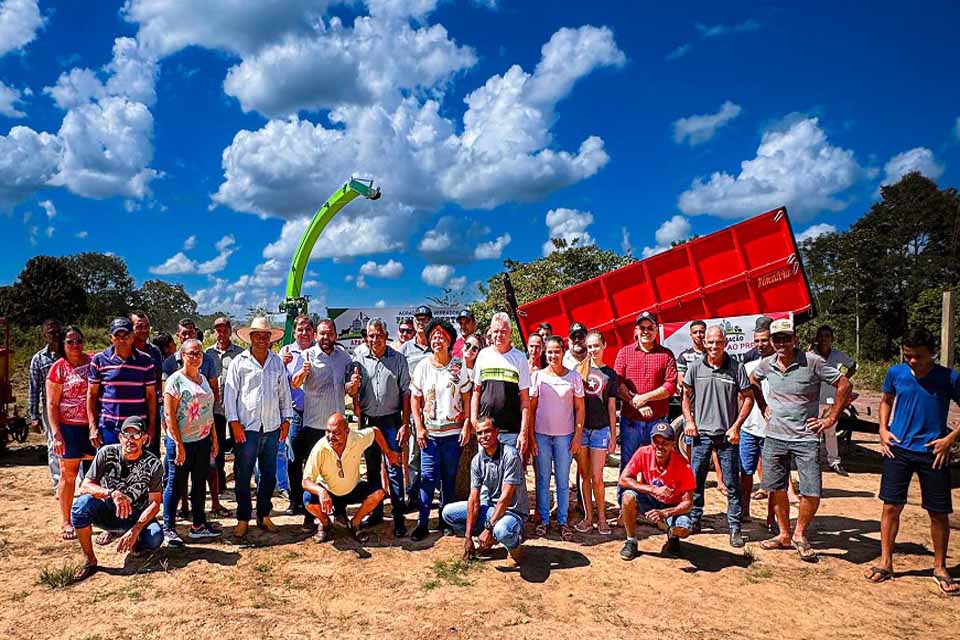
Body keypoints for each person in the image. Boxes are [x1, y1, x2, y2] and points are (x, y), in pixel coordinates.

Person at [865, 328, 960, 595]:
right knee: (891, 506)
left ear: (933, 353)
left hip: (933, 451)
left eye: (918, 356)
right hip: (899, 450)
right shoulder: (896, 373)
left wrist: (950, 439)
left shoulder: (949, 378)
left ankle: (940, 567)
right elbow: (886, 401)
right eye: (908, 356)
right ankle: (886, 563)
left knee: (938, 512)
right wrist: (882, 430)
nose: (912, 362)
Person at [752, 318, 851, 562]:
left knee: (812, 491)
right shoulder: (767, 364)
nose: (782, 343)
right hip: (775, 435)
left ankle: (800, 533)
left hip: (806, 437)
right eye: (777, 339)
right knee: (775, 488)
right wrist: (763, 405)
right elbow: (753, 380)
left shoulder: (813, 362)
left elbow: (845, 384)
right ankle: (784, 534)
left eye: (787, 338)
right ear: (772, 341)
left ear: (795, 339)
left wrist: (830, 419)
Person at [681, 326, 753, 547]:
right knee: (696, 481)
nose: (714, 346)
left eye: (718, 342)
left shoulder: (736, 368)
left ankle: (734, 527)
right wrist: (690, 421)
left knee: (732, 484)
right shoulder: (694, 368)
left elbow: (748, 398)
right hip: (701, 435)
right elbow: (685, 396)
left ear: (726, 344)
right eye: (710, 342)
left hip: (726, 437)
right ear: (705, 343)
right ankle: (694, 520)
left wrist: (736, 427)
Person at [69, 416, 164, 583]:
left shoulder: (153, 464)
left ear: (145, 438)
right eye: (126, 434)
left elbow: (155, 502)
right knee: (80, 506)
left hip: (135, 515)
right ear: (120, 437)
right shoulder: (106, 453)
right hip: (108, 509)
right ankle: (89, 559)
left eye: (136, 435)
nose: (130, 440)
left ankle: (133, 542)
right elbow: (85, 486)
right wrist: (111, 493)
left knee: (155, 537)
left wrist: (136, 529)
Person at [223, 317, 293, 538]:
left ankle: (264, 515)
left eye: (266, 336)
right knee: (243, 475)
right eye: (258, 336)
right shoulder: (239, 363)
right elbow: (230, 395)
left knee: (269, 475)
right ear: (250, 338)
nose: (262, 340)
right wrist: (234, 423)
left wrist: (286, 420)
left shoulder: (277, 363)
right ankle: (243, 518)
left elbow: (284, 394)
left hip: (272, 427)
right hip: (246, 428)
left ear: (271, 339)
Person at [289, 317, 357, 527]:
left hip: (337, 429)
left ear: (335, 335)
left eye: (329, 333)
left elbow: (348, 388)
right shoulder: (306, 355)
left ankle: (340, 512)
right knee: (314, 473)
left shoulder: (343, 357)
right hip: (314, 425)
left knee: (338, 471)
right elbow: (295, 382)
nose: (325, 337)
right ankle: (312, 516)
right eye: (322, 334)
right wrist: (303, 371)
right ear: (316, 336)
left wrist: (353, 386)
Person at [410, 318, 473, 541]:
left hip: (453, 434)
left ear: (449, 341)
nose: (437, 340)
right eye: (434, 336)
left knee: (449, 477)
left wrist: (467, 423)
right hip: (429, 435)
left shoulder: (458, 365)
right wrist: (418, 426)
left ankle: (446, 520)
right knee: (427, 477)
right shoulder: (423, 366)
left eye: (442, 337)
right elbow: (414, 399)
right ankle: (422, 522)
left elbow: (467, 395)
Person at [302, 413, 400, 543]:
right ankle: (325, 523)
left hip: (352, 489)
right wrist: (321, 492)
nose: (331, 437)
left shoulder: (356, 438)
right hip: (329, 491)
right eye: (328, 432)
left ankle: (355, 523)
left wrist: (388, 453)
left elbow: (375, 431)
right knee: (308, 500)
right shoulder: (320, 448)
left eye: (336, 433)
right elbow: (305, 481)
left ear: (347, 431)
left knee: (379, 493)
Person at [353, 317, 411, 536]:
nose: (375, 339)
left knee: (394, 469)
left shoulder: (398, 359)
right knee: (372, 468)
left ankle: (398, 518)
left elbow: (406, 393)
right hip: (368, 421)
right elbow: (354, 389)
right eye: (371, 335)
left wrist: (405, 424)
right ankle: (376, 512)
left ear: (386, 337)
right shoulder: (358, 357)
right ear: (366, 338)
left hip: (391, 421)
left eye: (379, 335)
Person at [442, 417, 528, 564]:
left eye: (487, 431)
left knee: (503, 531)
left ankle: (513, 546)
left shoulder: (511, 456)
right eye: (480, 433)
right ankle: (485, 539)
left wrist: (488, 528)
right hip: (490, 509)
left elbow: (506, 498)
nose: (483, 437)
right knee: (448, 513)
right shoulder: (477, 460)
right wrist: (468, 537)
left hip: (512, 511)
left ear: (497, 432)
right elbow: (473, 499)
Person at [162, 338, 221, 546]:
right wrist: (178, 445)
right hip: (181, 442)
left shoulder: (203, 379)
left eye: (199, 354)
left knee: (198, 483)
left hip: (202, 440)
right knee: (175, 484)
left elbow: (208, 411)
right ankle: (168, 528)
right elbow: (169, 415)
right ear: (182, 356)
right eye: (191, 354)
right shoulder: (175, 381)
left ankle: (198, 525)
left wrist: (213, 437)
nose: (196, 357)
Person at [613, 311, 678, 501]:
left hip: (657, 422)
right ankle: (625, 506)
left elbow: (670, 386)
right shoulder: (625, 353)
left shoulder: (666, 355)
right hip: (631, 421)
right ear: (636, 330)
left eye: (650, 328)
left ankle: (654, 509)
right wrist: (636, 402)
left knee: (657, 465)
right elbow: (618, 383)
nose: (646, 332)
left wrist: (645, 398)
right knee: (628, 464)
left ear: (656, 331)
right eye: (642, 328)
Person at [530, 335, 584, 540]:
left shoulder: (573, 378)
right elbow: (532, 409)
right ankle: (544, 520)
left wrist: (577, 436)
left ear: (563, 352)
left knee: (562, 481)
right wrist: (532, 438)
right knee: (543, 479)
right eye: (549, 351)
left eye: (557, 351)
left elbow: (580, 409)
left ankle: (562, 521)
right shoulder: (538, 377)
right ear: (545, 352)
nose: (553, 355)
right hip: (542, 435)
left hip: (565, 437)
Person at [618, 421, 695, 559]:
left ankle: (673, 536)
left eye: (665, 442)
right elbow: (623, 479)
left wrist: (664, 513)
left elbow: (688, 503)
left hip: (671, 506)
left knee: (685, 529)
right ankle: (631, 541)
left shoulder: (683, 466)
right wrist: (652, 489)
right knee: (627, 496)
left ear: (673, 444)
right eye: (656, 441)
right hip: (650, 499)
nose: (660, 446)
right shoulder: (643, 452)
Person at [46, 325, 94, 540]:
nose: (75, 345)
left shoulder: (93, 362)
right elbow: (52, 404)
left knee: (96, 473)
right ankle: (66, 521)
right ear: (62, 345)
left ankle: (94, 516)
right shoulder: (58, 368)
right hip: (69, 427)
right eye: (70, 341)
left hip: (92, 426)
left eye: (78, 341)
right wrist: (56, 432)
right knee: (69, 474)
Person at [88, 318, 157, 448]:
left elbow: (151, 396)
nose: (122, 340)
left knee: (135, 467)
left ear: (132, 336)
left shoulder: (145, 361)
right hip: (109, 427)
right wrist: (93, 427)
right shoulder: (99, 360)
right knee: (110, 466)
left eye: (126, 336)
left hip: (136, 428)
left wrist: (152, 427)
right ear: (111, 338)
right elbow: (91, 395)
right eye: (117, 336)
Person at [573, 330, 618, 535]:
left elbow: (611, 407)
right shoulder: (579, 370)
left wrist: (613, 435)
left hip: (600, 431)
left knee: (597, 476)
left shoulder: (610, 374)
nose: (592, 350)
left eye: (596, 346)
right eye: (589, 346)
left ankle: (602, 518)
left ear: (604, 345)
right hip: (582, 430)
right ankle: (588, 518)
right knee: (584, 476)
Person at [471, 312, 533, 457]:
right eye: (496, 331)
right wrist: (474, 421)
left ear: (510, 333)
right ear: (491, 333)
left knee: (510, 477)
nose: (499, 335)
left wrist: (523, 432)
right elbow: (476, 392)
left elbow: (525, 400)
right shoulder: (483, 355)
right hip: (486, 431)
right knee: (488, 476)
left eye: (503, 331)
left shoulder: (519, 358)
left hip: (511, 432)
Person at [205, 316, 245, 515]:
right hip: (216, 409)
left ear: (230, 330)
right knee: (217, 448)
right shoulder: (206, 354)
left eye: (224, 329)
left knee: (240, 447)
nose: (221, 334)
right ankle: (219, 485)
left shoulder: (240, 353)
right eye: (217, 330)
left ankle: (240, 484)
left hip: (237, 409)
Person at [279, 315, 317, 509]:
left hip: (317, 414)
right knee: (294, 457)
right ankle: (295, 500)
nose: (304, 333)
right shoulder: (285, 352)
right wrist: (282, 365)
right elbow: (277, 383)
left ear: (314, 332)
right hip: (295, 412)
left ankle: (312, 501)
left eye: (308, 329)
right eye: (300, 330)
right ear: (293, 332)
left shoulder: (320, 351)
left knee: (314, 458)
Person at [740, 324, 775, 531]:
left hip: (773, 432)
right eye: (757, 341)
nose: (761, 344)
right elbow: (741, 398)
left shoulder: (782, 365)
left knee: (772, 477)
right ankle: (744, 511)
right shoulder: (748, 367)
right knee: (745, 473)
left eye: (765, 340)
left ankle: (772, 518)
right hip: (749, 429)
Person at [809, 325, 857, 476]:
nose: (824, 339)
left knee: (830, 432)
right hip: (813, 399)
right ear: (817, 338)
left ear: (832, 339)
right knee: (811, 432)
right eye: (821, 336)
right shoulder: (810, 355)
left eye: (827, 336)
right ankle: (812, 462)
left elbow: (853, 366)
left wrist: (843, 381)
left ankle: (834, 462)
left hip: (831, 399)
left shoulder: (838, 355)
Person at [401, 305, 434, 513]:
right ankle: (413, 496)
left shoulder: (439, 345)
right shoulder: (405, 350)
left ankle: (432, 495)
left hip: (435, 411)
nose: (421, 322)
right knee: (413, 454)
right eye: (418, 319)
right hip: (413, 410)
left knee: (433, 454)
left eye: (425, 319)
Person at [29, 318, 62, 489]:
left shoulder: (70, 351)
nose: (56, 336)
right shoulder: (39, 359)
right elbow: (34, 389)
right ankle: (58, 483)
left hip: (73, 409)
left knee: (76, 445)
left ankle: (77, 483)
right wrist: (34, 416)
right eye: (51, 333)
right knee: (54, 444)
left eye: (58, 332)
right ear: (44, 336)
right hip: (50, 410)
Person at [129, 312, 164, 456]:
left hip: (152, 408)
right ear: (131, 328)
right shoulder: (125, 351)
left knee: (151, 451)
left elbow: (159, 380)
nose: (144, 330)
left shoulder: (155, 352)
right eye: (139, 326)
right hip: (130, 408)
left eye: (146, 326)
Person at [675, 320, 707, 386]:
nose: (698, 335)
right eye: (695, 332)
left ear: (706, 333)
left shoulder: (713, 354)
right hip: (692, 395)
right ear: (691, 335)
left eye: (701, 332)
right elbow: (681, 381)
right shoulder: (684, 356)